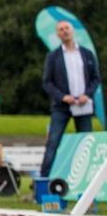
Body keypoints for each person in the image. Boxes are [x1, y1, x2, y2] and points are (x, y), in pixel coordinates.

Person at [40, 19, 101, 177]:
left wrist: (86, 95)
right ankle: (43, 183)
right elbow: (47, 82)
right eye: (61, 29)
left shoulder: (87, 54)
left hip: (83, 106)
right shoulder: (53, 57)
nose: (64, 31)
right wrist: (62, 96)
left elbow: (96, 78)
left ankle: (87, 181)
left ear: (72, 30)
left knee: (86, 143)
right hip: (62, 107)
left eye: (67, 28)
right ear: (57, 34)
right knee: (53, 143)